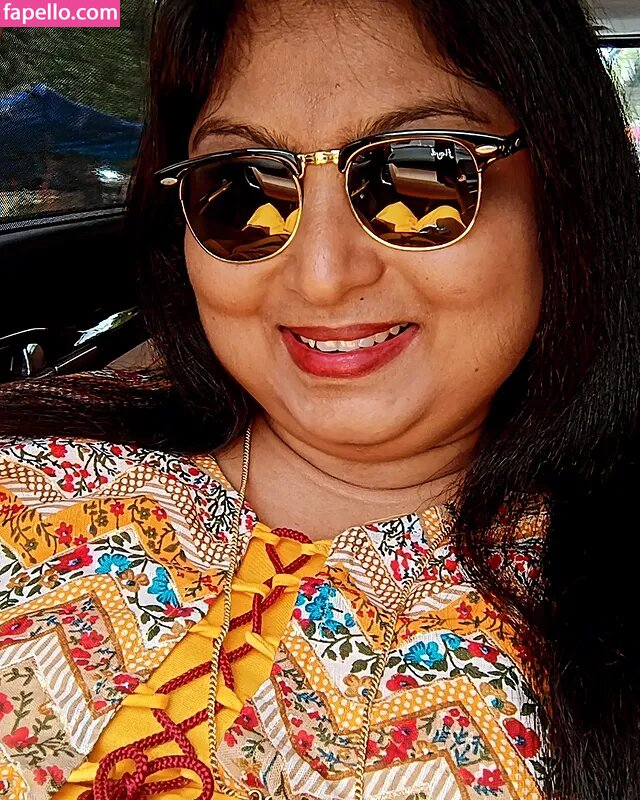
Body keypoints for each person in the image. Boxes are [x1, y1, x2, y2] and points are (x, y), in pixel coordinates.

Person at [0, 0, 639, 798]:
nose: (323, 274)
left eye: (421, 172)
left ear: (562, 194)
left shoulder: (604, 602)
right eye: (241, 187)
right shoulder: (28, 470)